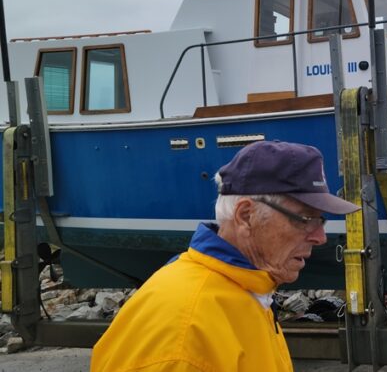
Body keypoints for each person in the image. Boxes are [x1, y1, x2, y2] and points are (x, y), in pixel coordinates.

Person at [91, 141, 359, 372]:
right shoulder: (185, 336)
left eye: (320, 220)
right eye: (305, 219)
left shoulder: (247, 289)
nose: (320, 237)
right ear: (246, 216)